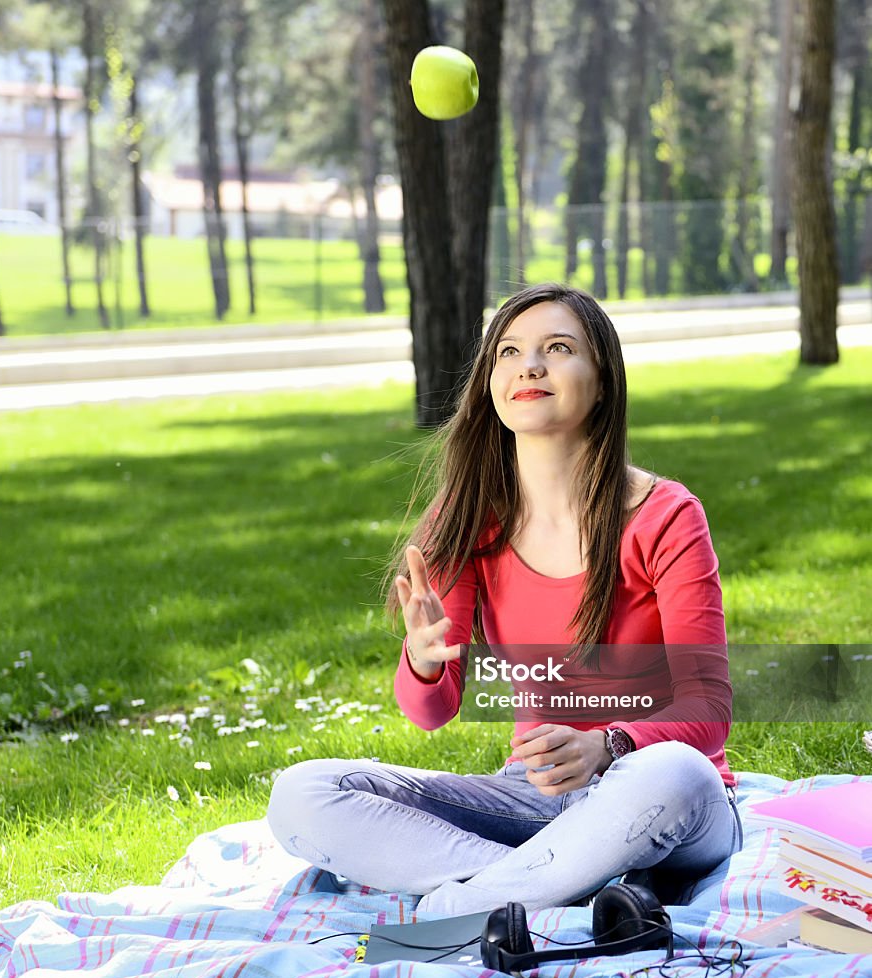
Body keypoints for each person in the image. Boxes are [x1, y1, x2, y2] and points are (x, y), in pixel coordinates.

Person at [267, 283, 742, 917]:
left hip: (654, 794)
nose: (530, 365)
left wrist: (609, 746)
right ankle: (553, 894)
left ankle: (473, 906)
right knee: (303, 795)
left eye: (558, 348)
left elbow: (708, 708)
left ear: (603, 380)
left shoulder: (666, 515)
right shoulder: (468, 518)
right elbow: (430, 711)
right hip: (535, 800)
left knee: (676, 770)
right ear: (492, 384)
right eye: (510, 351)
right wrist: (424, 660)